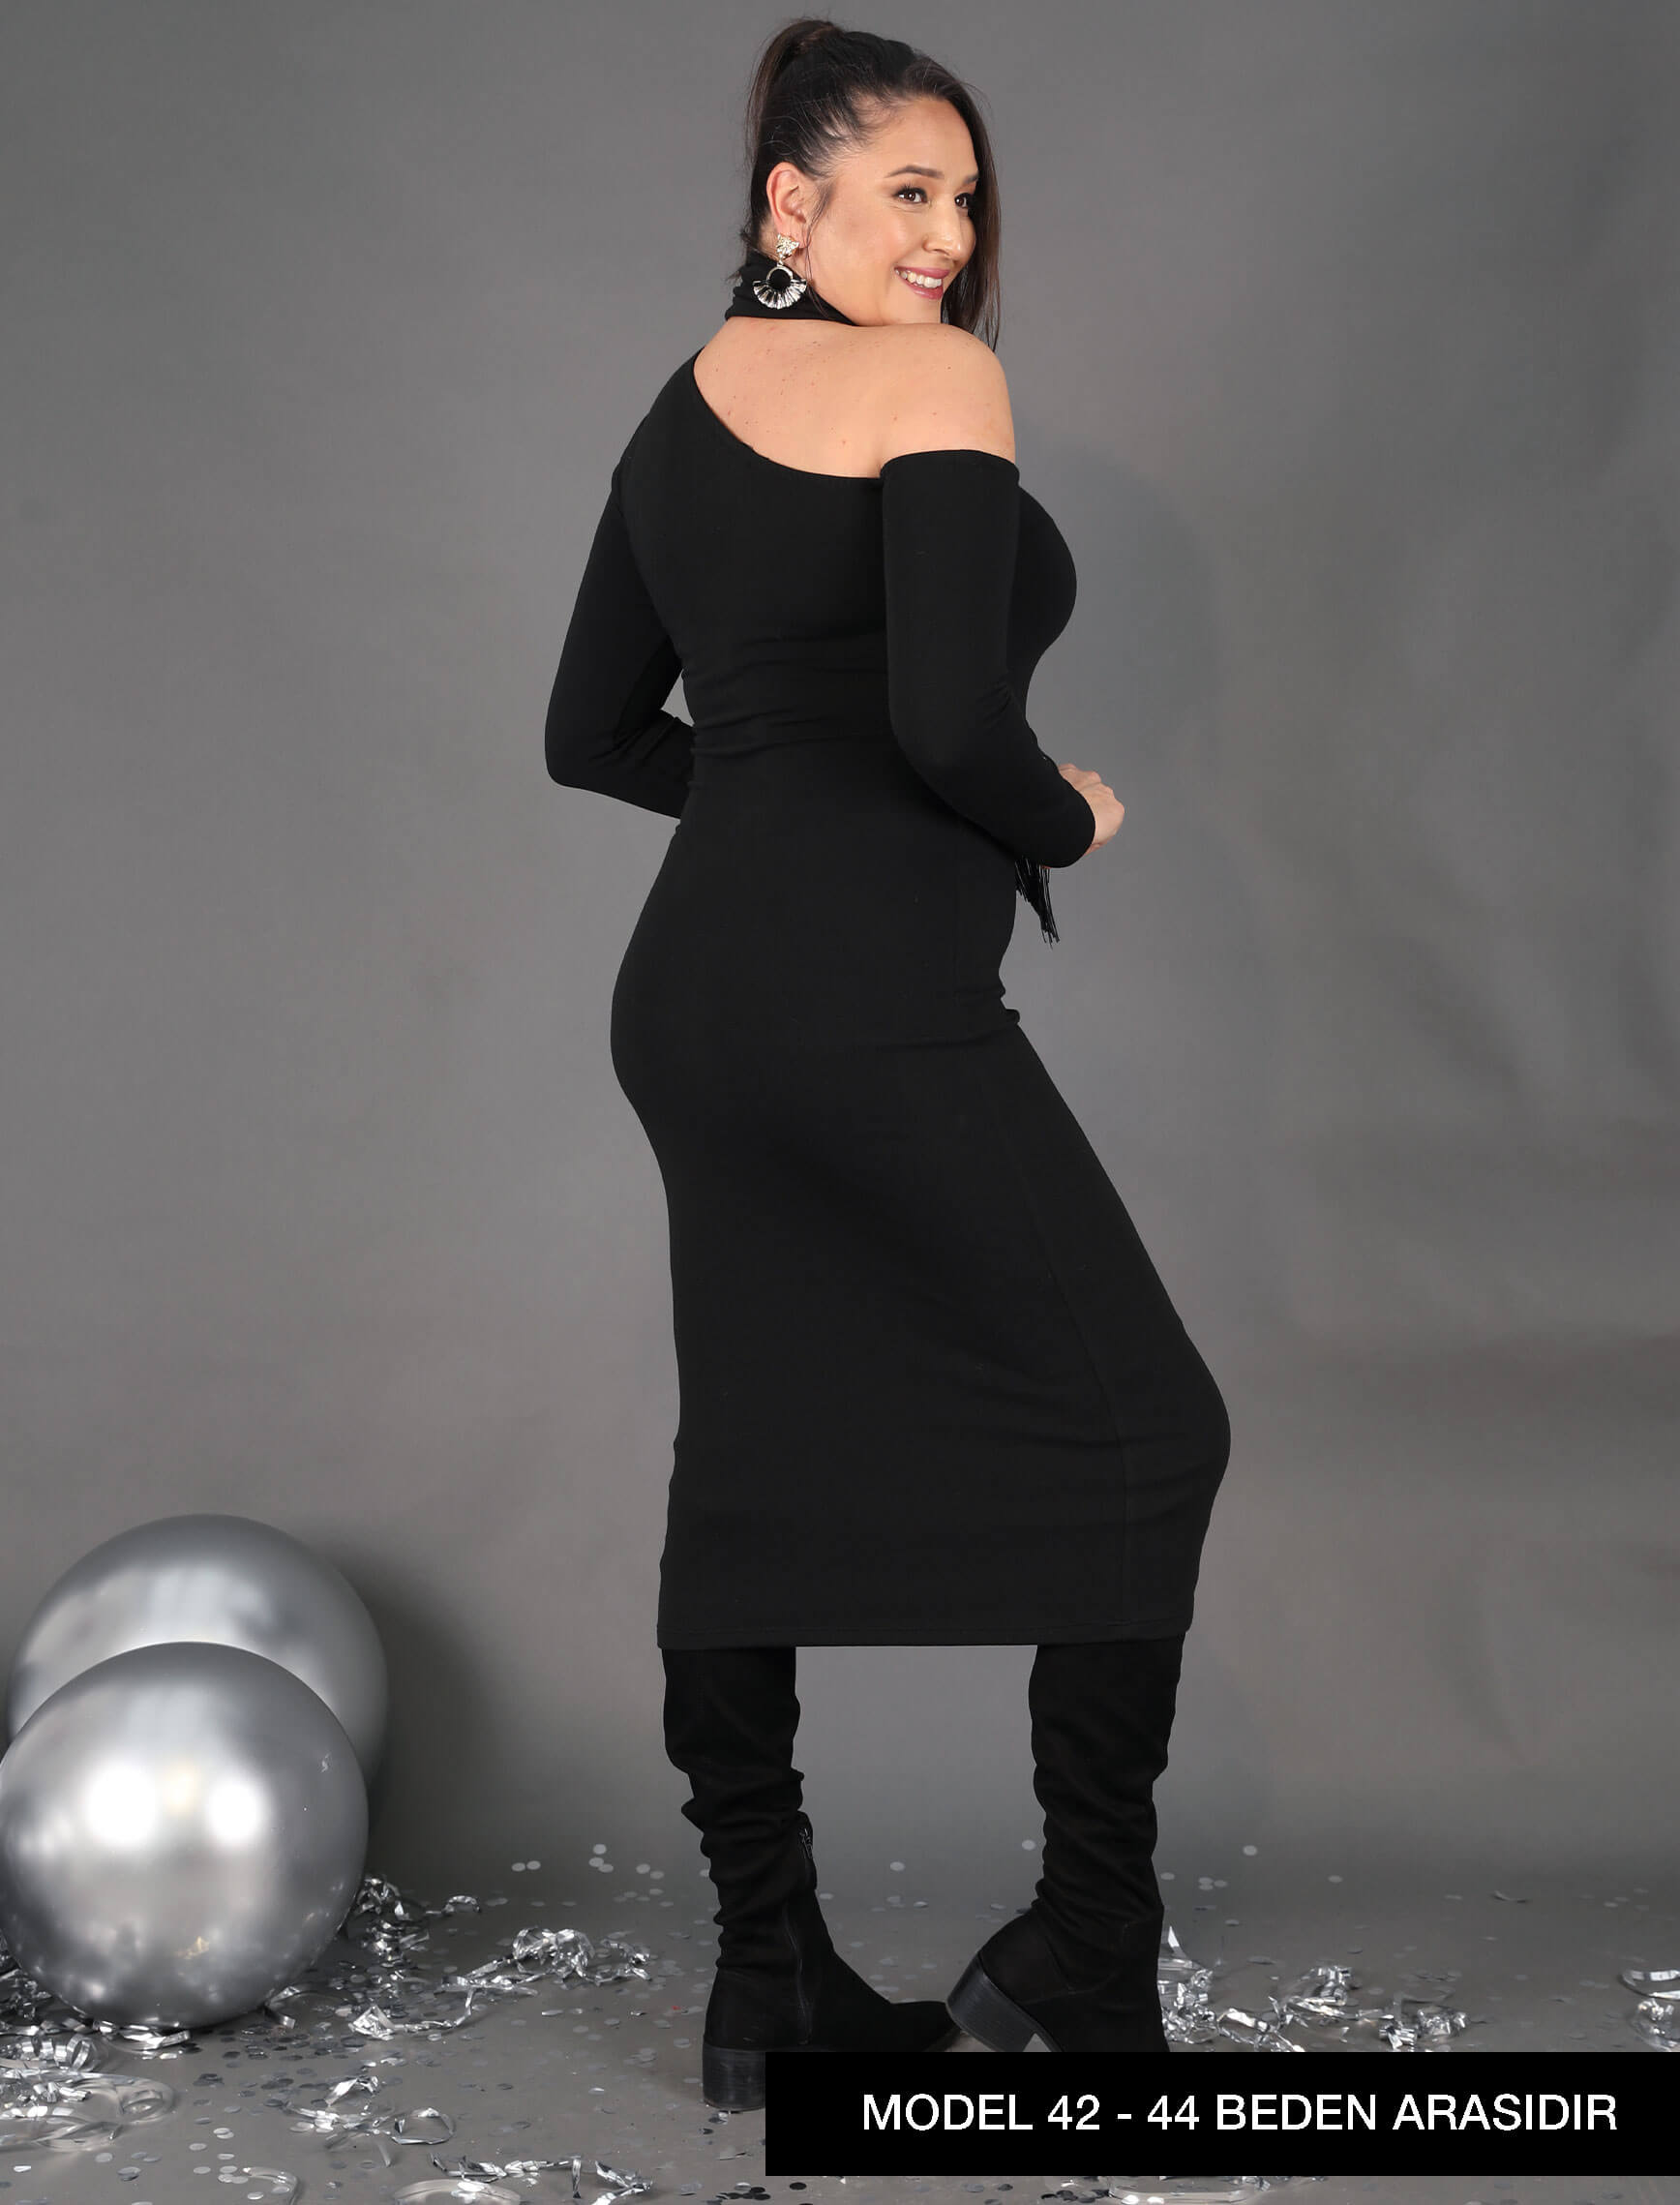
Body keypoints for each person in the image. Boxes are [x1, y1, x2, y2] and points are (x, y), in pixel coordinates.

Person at [544, 15, 1232, 2112]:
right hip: (865, 999)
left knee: (747, 1462)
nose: (946, 238)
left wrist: (784, 808)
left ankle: (769, 1984)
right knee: (1149, 1430)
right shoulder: (936, 382)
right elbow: (950, 727)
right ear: (793, 200)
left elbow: (589, 736)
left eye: (965, 198)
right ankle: (1085, 1957)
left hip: (694, 1005)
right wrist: (1059, 820)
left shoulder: (677, 414)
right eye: (906, 189)